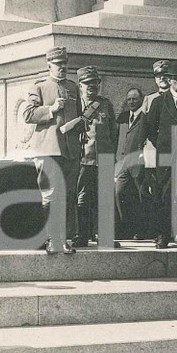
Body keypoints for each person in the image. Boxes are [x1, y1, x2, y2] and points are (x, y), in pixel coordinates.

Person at [22, 47, 82, 254]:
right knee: (50, 194)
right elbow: (28, 115)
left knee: (67, 195)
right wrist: (51, 109)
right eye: (58, 65)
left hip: (70, 150)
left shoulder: (73, 88)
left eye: (64, 64)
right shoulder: (39, 87)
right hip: (48, 149)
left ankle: (64, 240)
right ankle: (51, 239)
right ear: (49, 66)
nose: (62, 68)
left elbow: (78, 115)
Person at [143, 59, 177, 248]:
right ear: (169, 80)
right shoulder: (159, 102)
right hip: (166, 155)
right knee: (164, 194)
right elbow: (149, 129)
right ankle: (163, 234)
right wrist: (163, 145)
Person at [69, 66, 117, 247]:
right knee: (82, 197)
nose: (92, 87)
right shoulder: (75, 106)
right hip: (83, 158)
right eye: (87, 84)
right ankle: (82, 235)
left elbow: (113, 132)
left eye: (95, 83)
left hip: (104, 158)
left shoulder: (105, 104)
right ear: (80, 85)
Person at [114, 87, 149, 240]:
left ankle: (142, 230)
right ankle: (125, 228)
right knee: (119, 193)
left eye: (135, 99)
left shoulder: (146, 117)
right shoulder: (122, 117)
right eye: (129, 99)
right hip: (122, 162)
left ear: (141, 100)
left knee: (141, 196)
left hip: (139, 162)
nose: (131, 102)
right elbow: (117, 138)